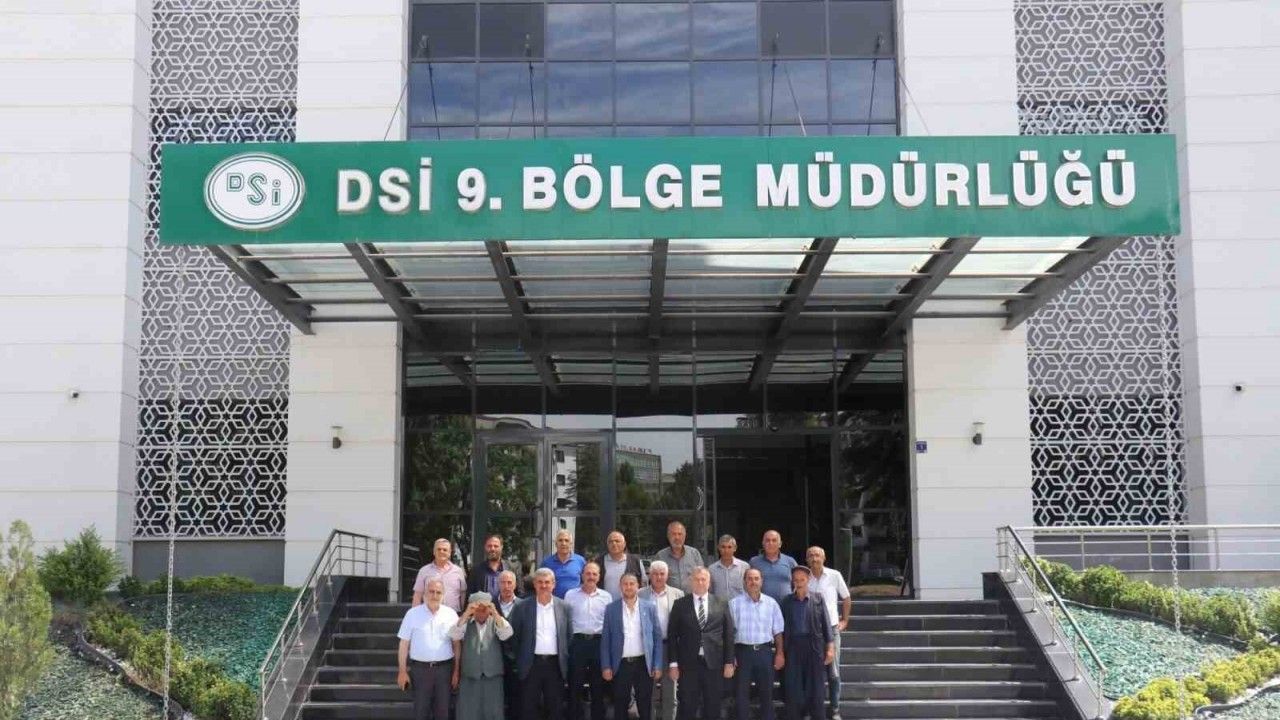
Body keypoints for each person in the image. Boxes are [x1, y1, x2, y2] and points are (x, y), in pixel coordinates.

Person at [667, 567, 735, 720]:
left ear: (709, 582)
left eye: (703, 579)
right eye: (697, 579)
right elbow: (672, 636)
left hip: (714, 664)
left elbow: (728, 634)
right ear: (691, 582)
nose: (700, 582)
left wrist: (729, 662)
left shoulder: (721, 603)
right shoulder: (680, 604)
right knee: (687, 706)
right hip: (688, 665)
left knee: (713, 706)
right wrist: (673, 664)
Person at [510, 568, 572, 720]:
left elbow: (568, 637)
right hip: (531, 665)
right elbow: (515, 637)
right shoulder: (522, 607)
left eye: (547, 582)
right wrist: (521, 659)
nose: (544, 586)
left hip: (555, 666)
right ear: (535, 584)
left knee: (555, 708)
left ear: (553, 584)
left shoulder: (564, 607)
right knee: (529, 708)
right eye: (540, 582)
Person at [601, 573, 664, 720]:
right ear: (620, 587)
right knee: (620, 705)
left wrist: (657, 664)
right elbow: (606, 640)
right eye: (625, 584)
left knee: (645, 705)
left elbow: (657, 637)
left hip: (643, 663)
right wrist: (606, 666)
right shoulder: (611, 609)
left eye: (632, 584)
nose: (628, 587)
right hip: (620, 664)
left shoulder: (649, 607)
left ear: (638, 586)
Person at [397, 579, 461, 720]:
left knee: (443, 713)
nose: (434, 595)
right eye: (431, 591)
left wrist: (456, 671)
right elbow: (403, 645)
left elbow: (456, 644)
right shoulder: (412, 614)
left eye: (438, 592)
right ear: (425, 593)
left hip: (444, 671)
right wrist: (402, 671)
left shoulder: (451, 614)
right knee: (420, 712)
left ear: (443, 595)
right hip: (420, 671)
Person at [728, 568, 785, 720]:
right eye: (749, 579)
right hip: (742, 653)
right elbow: (729, 634)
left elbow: (778, 631)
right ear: (744, 582)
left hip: (764, 653)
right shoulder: (734, 604)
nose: (753, 582)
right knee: (741, 694)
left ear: (761, 581)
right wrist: (731, 656)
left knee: (767, 693)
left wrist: (780, 653)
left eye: (756, 578)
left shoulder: (771, 603)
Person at [450, 591, 514, 720]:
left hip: (493, 676)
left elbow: (506, 634)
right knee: (469, 712)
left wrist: (494, 613)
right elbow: (454, 634)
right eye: (477, 609)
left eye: (484, 609)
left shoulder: (496, 621)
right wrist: (466, 614)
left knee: (493, 712)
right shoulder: (465, 623)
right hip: (470, 676)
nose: (481, 612)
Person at [779, 566, 833, 720]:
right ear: (792, 581)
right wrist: (781, 651)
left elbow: (826, 624)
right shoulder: (786, 601)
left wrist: (830, 647)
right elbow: (780, 628)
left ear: (808, 580)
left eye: (802, 579)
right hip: (793, 647)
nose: (799, 583)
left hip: (814, 647)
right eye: (796, 580)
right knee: (793, 688)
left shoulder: (818, 598)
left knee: (816, 688)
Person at [805, 547, 851, 720]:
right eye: (810, 555)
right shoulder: (804, 577)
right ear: (806, 559)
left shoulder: (834, 575)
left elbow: (846, 598)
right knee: (811, 672)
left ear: (824, 558)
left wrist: (844, 621)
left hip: (831, 629)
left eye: (817, 555)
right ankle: (811, 708)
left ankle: (835, 709)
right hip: (810, 630)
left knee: (833, 672)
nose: (814, 558)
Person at [564, 562, 611, 720]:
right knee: (575, 684)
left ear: (599, 577)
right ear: (582, 575)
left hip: (598, 643)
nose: (591, 577)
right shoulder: (570, 595)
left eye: (594, 574)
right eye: (588, 573)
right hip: (577, 643)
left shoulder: (606, 597)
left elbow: (608, 623)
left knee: (598, 686)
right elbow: (566, 620)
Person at [639, 560, 684, 720]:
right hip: (647, 648)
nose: (658, 577)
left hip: (670, 647)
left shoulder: (678, 594)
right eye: (655, 574)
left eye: (662, 574)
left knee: (670, 692)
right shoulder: (640, 594)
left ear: (667, 575)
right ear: (649, 575)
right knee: (647, 692)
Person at [494, 570, 523, 718]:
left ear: (515, 584)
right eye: (503, 582)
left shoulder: (524, 605)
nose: (506, 586)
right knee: (495, 700)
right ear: (498, 584)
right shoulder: (490, 605)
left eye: (509, 582)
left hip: (516, 662)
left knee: (516, 701)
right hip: (494, 660)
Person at [414, 537, 467, 611]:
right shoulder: (424, 571)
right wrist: (415, 614)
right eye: (439, 549)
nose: (441, 551)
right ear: (434, 552)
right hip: (430, 614)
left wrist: (462, 613)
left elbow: (463, 594)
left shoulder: (458, 571)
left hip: (453, 614)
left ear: (449, 553)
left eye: (445, 550)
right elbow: (417, 595)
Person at [654, 520, 705, 593]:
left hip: (691, 597)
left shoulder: (694, 554)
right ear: (668, 536)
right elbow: (655, 581)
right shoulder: (660, 556)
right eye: (674, 534)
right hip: (670, 598)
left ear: (684, 536)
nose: (677, 537)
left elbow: (703, 577)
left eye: (680, 534)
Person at [749, 530, 798, 603]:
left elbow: (798, 583)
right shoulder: (754, 562)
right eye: (767, 540)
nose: (770, 543)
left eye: (774, 540)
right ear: (763, 543)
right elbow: (748, 584)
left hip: (786, 606)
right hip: (762, 606)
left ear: (780, 544)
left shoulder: (790, 562)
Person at [596, 530, 645, 600]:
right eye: (610, 541)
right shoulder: (598, 562)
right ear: (607, 545)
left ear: (624, 544)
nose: (614, 544)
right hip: (605, 604)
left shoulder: (635, 562)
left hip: (629, 604)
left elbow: (643, 585)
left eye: (617, 541)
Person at [542, 529, 588, 598]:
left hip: (575, 601)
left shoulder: (580, 561)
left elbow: (586, 581)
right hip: (555, 602)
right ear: (556, 544)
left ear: (571, 544)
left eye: (566, 540)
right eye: (560, 540)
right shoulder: (547, 563)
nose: (563, 543)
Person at [709, 534, 749, 601]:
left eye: (729, 547)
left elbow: (749, 589)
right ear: (718, 548)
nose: (726, 550)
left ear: (735, 548)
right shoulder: (712, 569)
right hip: (719, 606)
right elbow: (710, 592)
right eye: (723, 547)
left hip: (739, 605)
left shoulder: (744, 567)